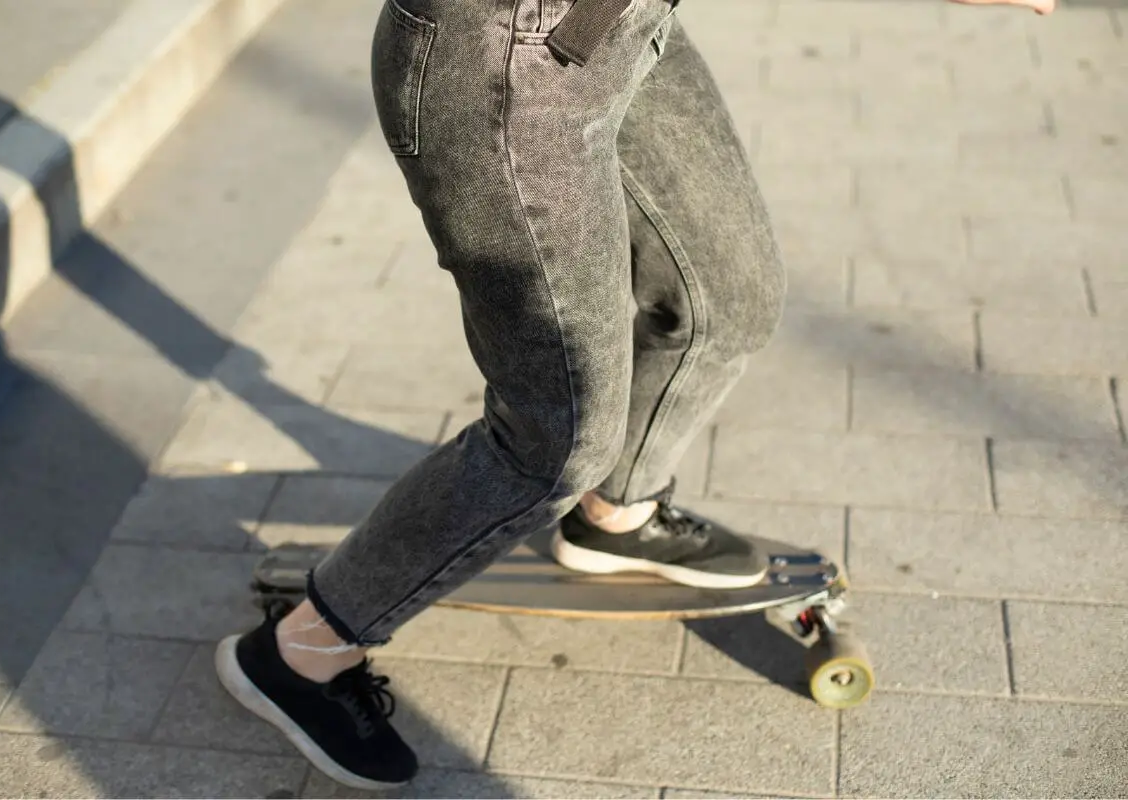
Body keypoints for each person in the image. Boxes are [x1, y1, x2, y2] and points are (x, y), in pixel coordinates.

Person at [214, 0, 1053, 789]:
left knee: (730, 296)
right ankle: (302, 652)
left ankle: (619, 518)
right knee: (556, 438)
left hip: (620, 31)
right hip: (503, 62)